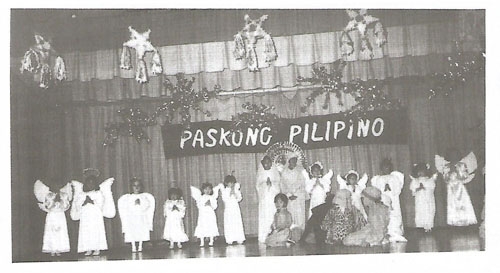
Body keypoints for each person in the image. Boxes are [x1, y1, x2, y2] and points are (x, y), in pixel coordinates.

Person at [71, 169, 116, 256]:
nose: (90, 185)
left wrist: (92, 201)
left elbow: (101, 203)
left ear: (95, 184)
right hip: (85, 216)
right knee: (86, 231)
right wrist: (83, 202)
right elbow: (77, 204)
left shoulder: (98, 193)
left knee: (95, 231)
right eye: (88, 183)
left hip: (95, 216)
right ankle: (88, 248)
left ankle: (96, 248)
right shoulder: (82, 194)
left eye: (92, 183)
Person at [435, 150, 478, 226]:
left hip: (460, 187)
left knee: (463, 202)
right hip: (451, 187)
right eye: (451, 156)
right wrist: (449, 172)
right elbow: (445, 179)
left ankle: (465, 220)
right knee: (453, 204)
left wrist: (457, 172)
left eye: (455, 155)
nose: (453, 158)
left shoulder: (462, 165)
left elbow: (465, 176)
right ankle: (454, 221)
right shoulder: (446, 166)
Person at [371, 158, 407, 242]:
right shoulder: (379, 179)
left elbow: (398, 189)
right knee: (385, 215)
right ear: (381, 168)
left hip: (393, 198)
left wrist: (390, 188)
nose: (385, 169)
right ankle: (386, 233)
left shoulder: (394, 177)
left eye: (387, 167)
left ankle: (395, 232)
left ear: (390, 168)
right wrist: (383, 189)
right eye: (384, 167)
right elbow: (377, 190)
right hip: (384, 198)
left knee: (394, 214)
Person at [33, 180, 72, 256]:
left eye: (57, 185)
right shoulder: (48, 195)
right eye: (53, 185)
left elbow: (66, 206)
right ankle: (52, 249)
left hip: (60, 215)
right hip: (52, 215)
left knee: (60, 232)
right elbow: (47, 206)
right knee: (51, 232)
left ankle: (60, 249)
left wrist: (60, 201)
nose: (55, 187)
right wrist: (53, 201)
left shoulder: (64, 195)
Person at [117, 178, 155, 252]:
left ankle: (140, 245)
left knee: (141, 231)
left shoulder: (144, 196)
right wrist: (133, 204)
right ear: (131, 187)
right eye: (134, 185)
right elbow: (126, 207)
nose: (136, 187)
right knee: (132, 231)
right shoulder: (128, 197)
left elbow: (147, 205)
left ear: (141, 187)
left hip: (141, 217)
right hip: (132, 218)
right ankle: (133, 245)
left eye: (138, 185)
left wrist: (141, 204)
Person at [256, 155, 282, 243]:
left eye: (268, 163)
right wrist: (264, 185)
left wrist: (272, 184)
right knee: (264, 216)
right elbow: (258, 186)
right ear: (263, 164)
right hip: (264, 199)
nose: (266, 164)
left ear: (271, 163)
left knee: (273, 215)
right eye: (265, 163)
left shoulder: (274, 172)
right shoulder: (260, 173)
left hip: (272, 198)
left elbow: (278, 185)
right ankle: (264, 235)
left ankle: (274, 235)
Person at [217, 173, 246, 245]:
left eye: (233, 183)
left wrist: (235, 194)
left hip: (235, 209)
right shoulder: (225, 190)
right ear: (226, 183)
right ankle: (230, 239)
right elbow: (224, 199)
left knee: (237, 222)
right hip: (229, 209)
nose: (231, 184)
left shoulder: (236, 189)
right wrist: (230, 193)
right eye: (230, 183)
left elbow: (240, 198)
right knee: (229, 223)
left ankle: (239, 238)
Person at [280, 157, 307, 232]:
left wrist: (296, 194)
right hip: (289, 198)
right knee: (290, 215)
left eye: (295, 160)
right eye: (292, 160)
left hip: (298, 197)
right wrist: (289, 195)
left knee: (299, 216)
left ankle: (301, 233)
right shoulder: (284, 172)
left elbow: (303, 184)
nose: (294, 162)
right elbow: (283, 185)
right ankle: (291, 234)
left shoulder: (300, 171)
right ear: (289, 161)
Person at [409, 163, 437, 232]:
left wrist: (424, 187)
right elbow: (413, 192)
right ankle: (420, 227)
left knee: (428, 211)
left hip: (428, 200)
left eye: (422, 171)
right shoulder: (415, 181)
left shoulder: (430, 180)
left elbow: (431, 188)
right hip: (420, 201)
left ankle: (429, 227)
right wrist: (418, 188)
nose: (420, 173)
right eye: (419, 171)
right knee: (420, 212)